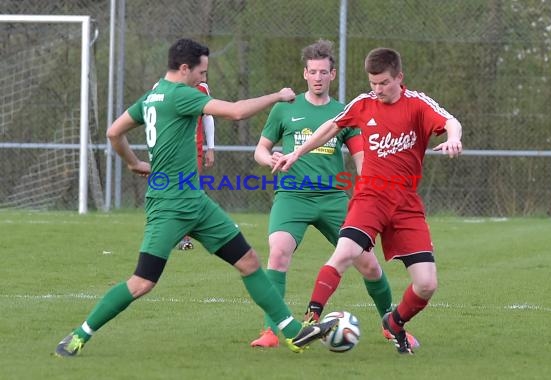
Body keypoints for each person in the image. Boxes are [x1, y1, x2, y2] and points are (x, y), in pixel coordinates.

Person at [54, 38, 338, 358]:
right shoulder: (180, 95)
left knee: (249, 261)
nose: (204, 79)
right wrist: (279, 95)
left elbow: (114, 132)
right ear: (185, 68)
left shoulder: (152, 96)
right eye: (201, 72)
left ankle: (291, 332)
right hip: (169, 207)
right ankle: (79, 335)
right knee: (142, 282)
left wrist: (134, 164)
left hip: (197, 203)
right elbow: (235, 113)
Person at [273, 47, 463, 354]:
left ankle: (394, 323)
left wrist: (453, 137)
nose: (377, 90)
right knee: (345, 251)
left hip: (405, 204)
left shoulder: (416, 104)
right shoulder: (363, 103)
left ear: (399, 78)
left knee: (426, 284)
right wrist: (297, 152)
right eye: (373, 83)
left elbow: (451, 121)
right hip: (370, 196)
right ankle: (312, 318)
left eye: (384, 83)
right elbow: (330, 128)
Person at [250, 40, 418, 349]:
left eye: (323, 72)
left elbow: (361, 158)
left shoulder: (344, 112)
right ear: (305, 74)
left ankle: (390, 324)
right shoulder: (284, 109)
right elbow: (260, 149)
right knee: (278, 251)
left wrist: (374, 186)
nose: (317, 77)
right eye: (312, 72)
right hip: (292, 197)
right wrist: (269, 158)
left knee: (367, 262)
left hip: (334, 199)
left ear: (333, 74)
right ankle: (272, 331)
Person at [177, 81, 215, 251]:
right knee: (171, 191)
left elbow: (208, 116)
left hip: (194, 150)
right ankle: (168, 232)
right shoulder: (163, 87)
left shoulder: (201, 88)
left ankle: (184, 236)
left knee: (189, 191)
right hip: (171, 151)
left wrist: (211, 148)